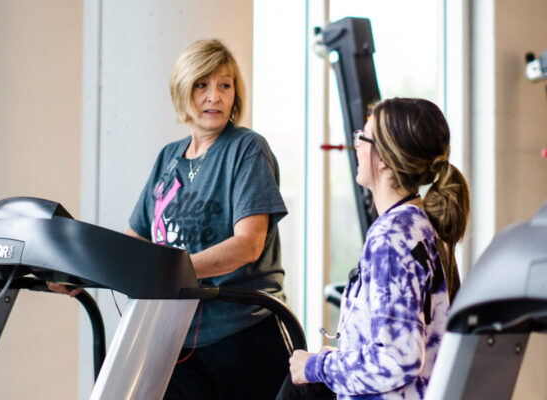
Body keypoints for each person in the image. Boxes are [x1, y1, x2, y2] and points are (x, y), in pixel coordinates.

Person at [125, 39, 290, 399]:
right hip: (176, 337)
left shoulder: (246, 148)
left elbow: (249, 244)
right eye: (202, 85)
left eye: (224, 85)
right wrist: (85, 272)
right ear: (183, 89)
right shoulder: (168, 158)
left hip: (242, 333)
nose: (214, 96)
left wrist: (173, 273)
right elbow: (136, 241)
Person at [284, 97, 469, 400]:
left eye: (363, 137)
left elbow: (397, 359)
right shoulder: (422, 224)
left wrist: (318, 366)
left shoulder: (391, 238)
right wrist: (344, 356)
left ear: (382, 158)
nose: (356, 145)